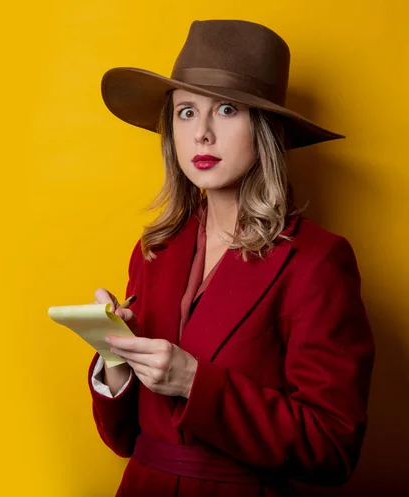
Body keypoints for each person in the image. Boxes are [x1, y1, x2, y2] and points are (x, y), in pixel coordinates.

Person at [87, 19, 375, 497]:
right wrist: (113, 357)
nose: (201, 133)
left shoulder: (319, 262)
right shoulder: (153, 250)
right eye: (185, 112)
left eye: (225, 109)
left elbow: (333, 448)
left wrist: (194, 382)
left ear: (264, 128)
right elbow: (123, 440)